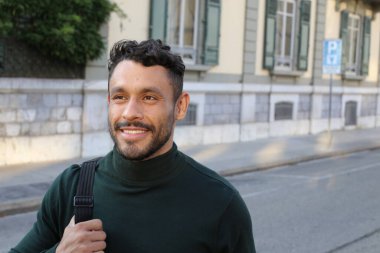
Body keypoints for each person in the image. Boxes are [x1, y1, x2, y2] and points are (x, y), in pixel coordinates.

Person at [10, 39, 256, 253]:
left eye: (149, 98)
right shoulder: (70, 188)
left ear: (180, 106)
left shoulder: (220, 204)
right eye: (120, 97)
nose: (130, 112)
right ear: (109, 102)